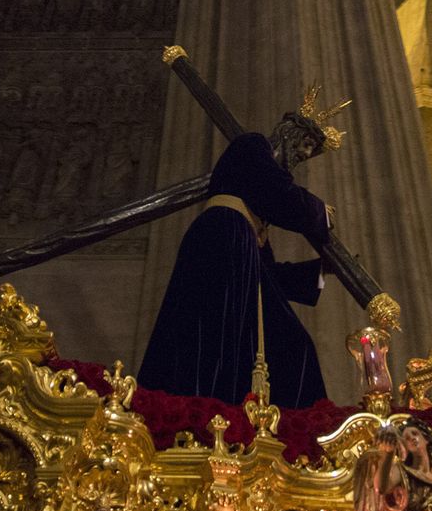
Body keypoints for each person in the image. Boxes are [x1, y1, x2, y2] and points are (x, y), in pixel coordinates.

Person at [138, 113, 332, 408]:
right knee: (212, 341)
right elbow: (279, 193)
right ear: (289, 132)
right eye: (306, 144)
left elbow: (268, 276)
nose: (305, 154)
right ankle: (206, 412)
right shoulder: (252, 146)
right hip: (220, 242)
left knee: (294, 346)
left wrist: (319, 271)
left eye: (311, 151)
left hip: (235, 252)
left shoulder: (255, 221)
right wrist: (318, 213)